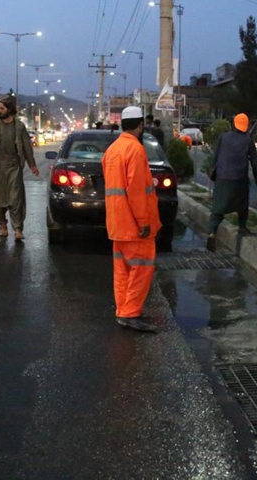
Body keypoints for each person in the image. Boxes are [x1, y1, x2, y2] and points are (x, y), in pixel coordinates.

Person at [102, 106, 162, 333]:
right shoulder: (135, 150)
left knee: (123, 270)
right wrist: (144, 222)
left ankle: (123, 310)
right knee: (141, 269)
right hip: (134, 226)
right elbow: (136, 191)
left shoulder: (112, 150)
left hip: (117, 223)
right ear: (140, 126)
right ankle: (130, 313)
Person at [0, 95, 40, 240]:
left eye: (2, 108)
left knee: (15, 199)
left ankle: (18, 229)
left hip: (14, 168)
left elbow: (26, 147)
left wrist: (32, 165)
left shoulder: (19, 126)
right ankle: (2, 224)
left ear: (9, 109)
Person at [206, 113, 257, 252]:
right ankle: (242, 226)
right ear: (246, 126)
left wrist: (213, 175)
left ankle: (212, 232)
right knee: (242, 205)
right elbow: (255, 164)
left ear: (233, 124)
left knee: (217, 209)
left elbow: (216, 158)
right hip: (239, 179)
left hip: (223, 178)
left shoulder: (223, 137)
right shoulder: (248, 141)